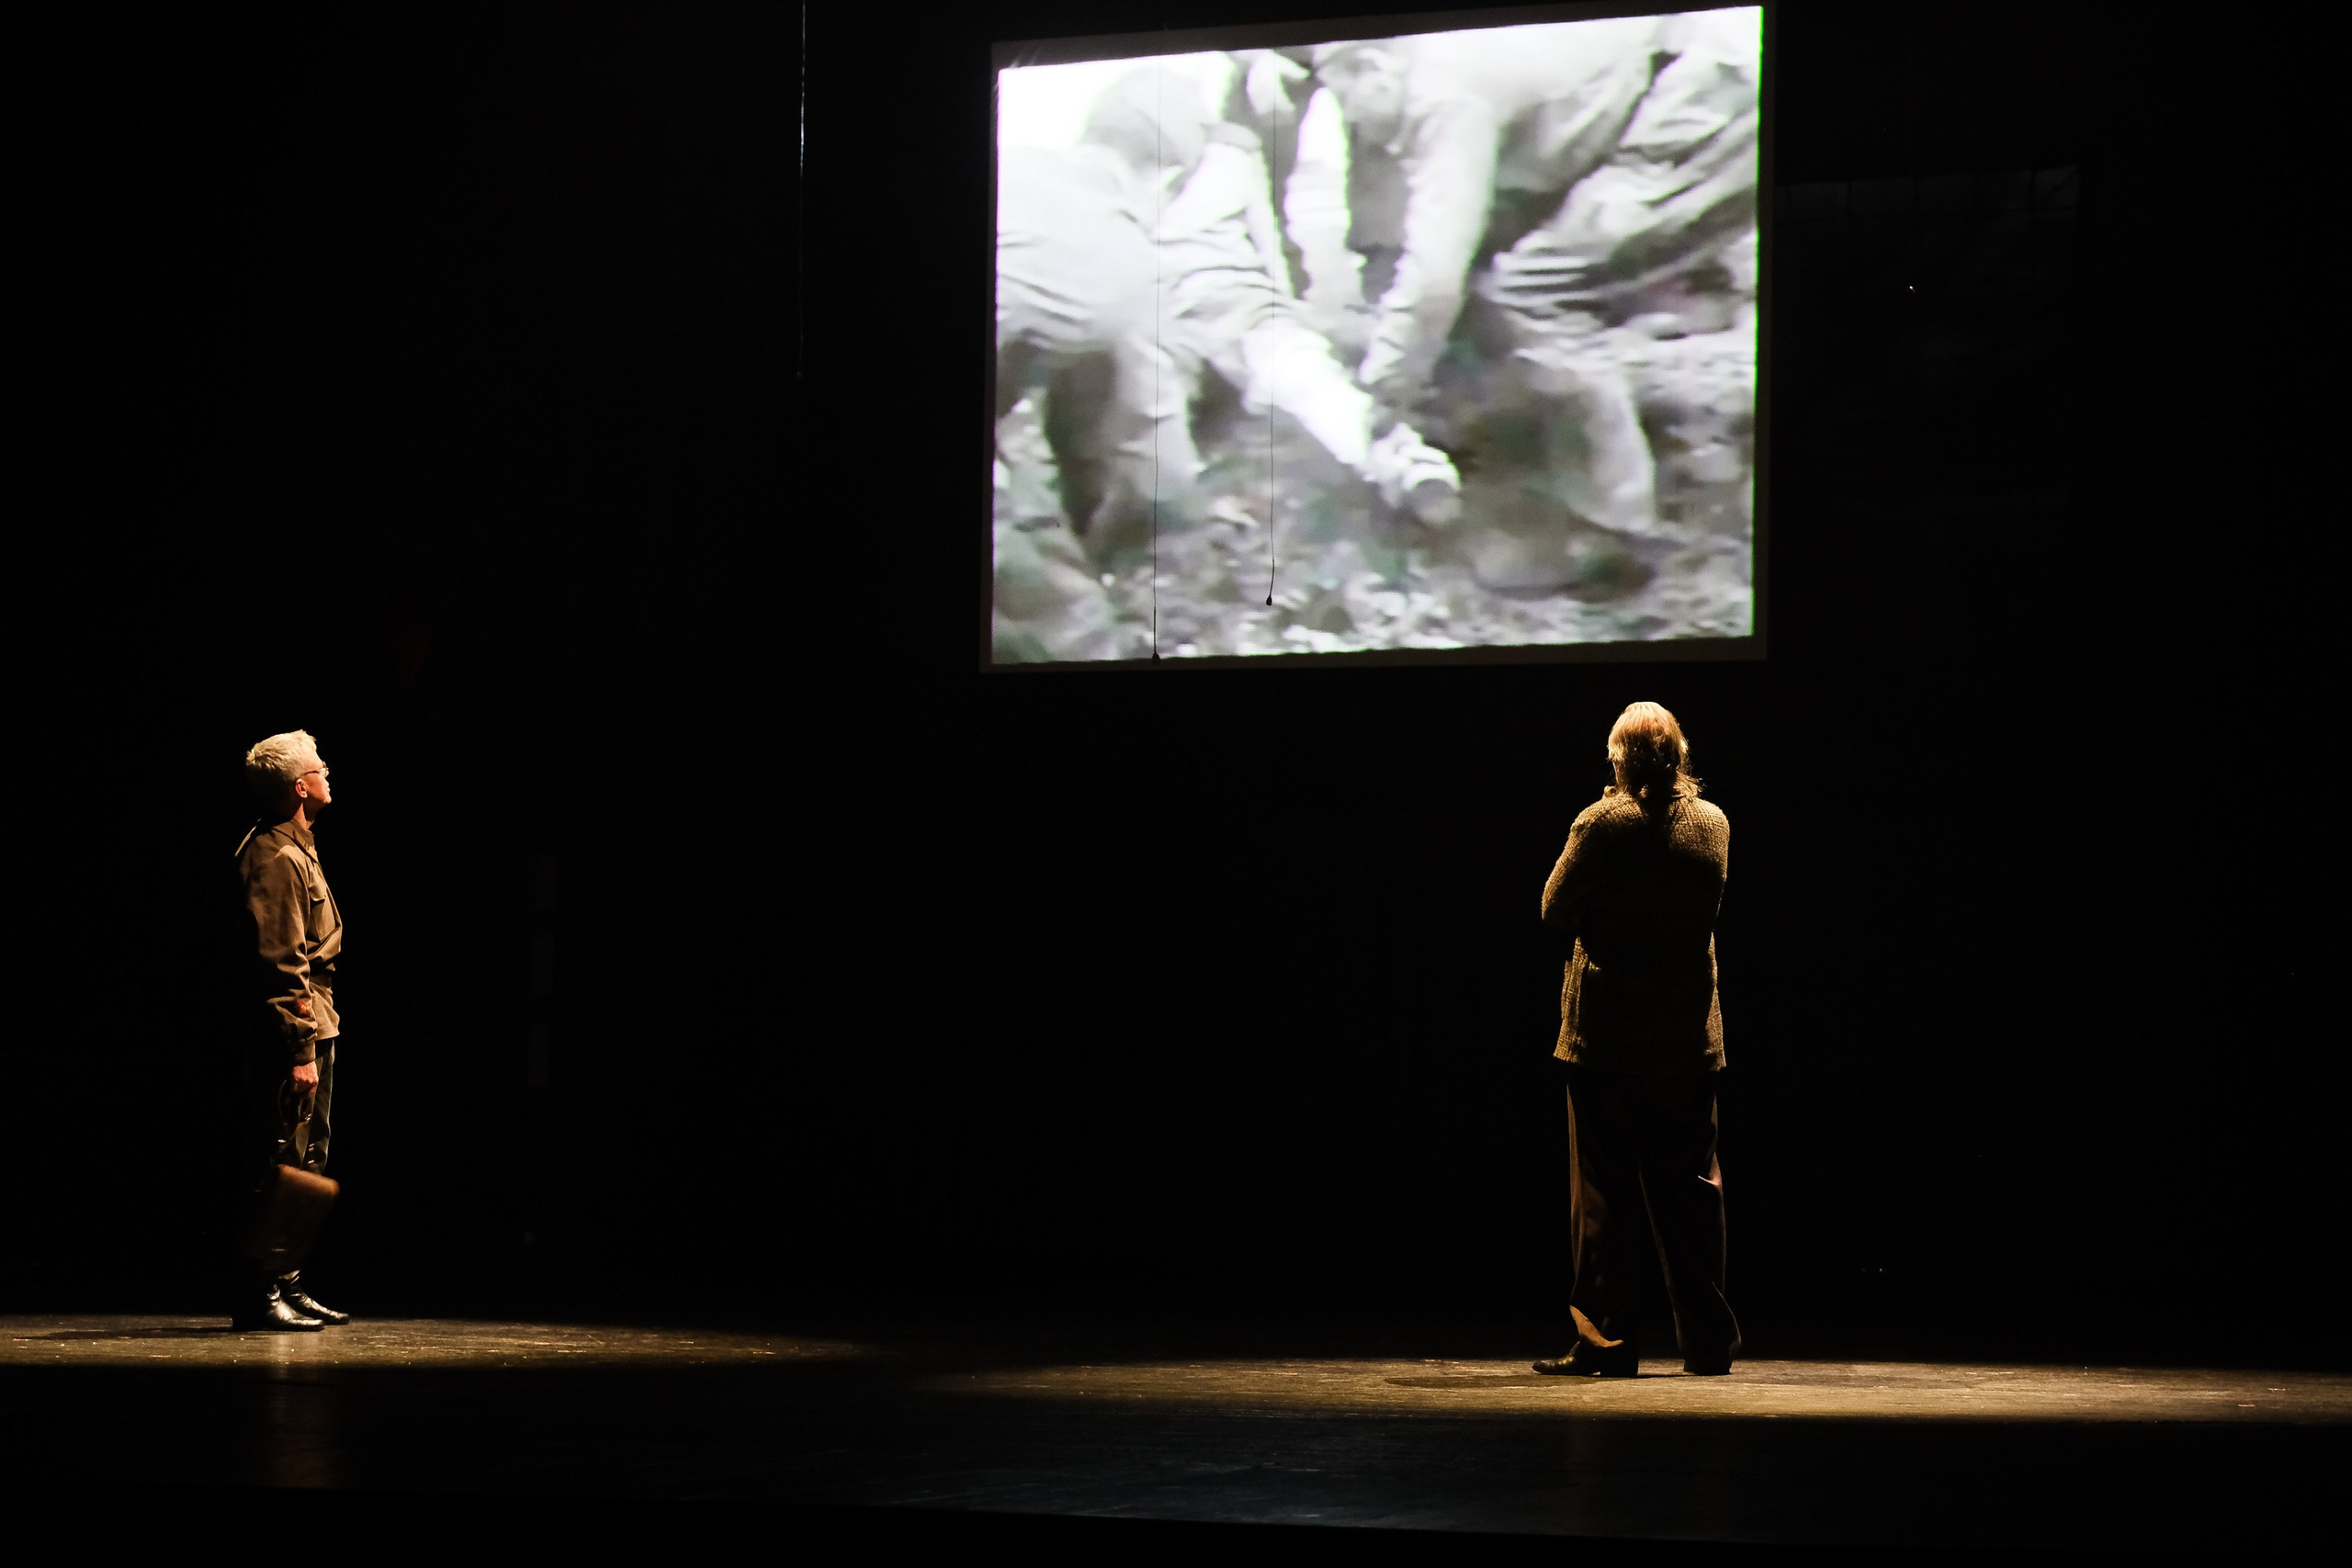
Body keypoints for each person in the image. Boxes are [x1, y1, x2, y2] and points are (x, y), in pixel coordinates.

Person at [1310, 15, 1759, 590]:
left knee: (1533, 291)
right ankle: (1513, 439)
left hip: (1709, 102)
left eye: (1346, 99)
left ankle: (1611, 531)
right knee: (1513, 260)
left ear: (1374, 67)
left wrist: (1388, 386)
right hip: (1681, 86)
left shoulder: (1440, 97)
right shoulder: (1437, 69)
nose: (1352, 121)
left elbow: (1434, 281)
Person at [1535, 701, 1736, 1376]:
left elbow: (1552, 905)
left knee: (1603, 1196)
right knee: (1692, 1193)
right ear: (1679, 756)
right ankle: (1707, 1343)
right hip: (1686, 1036)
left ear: (1620, 759)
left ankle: (1608, 1342)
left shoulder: (1602, 822)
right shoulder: (1714, 823)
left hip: (1606, 1036)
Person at [231, 730, 350, 1331]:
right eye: (319, 766)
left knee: (307, 1159)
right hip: (292, 1029)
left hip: (315, 1020)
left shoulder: (297, 847)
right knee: (280, 1156)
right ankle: (259, 1290)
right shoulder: (275, 856)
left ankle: (287, 1280)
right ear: (300, 787)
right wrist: (300, 1048)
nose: (328, 771)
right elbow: (281, 961)